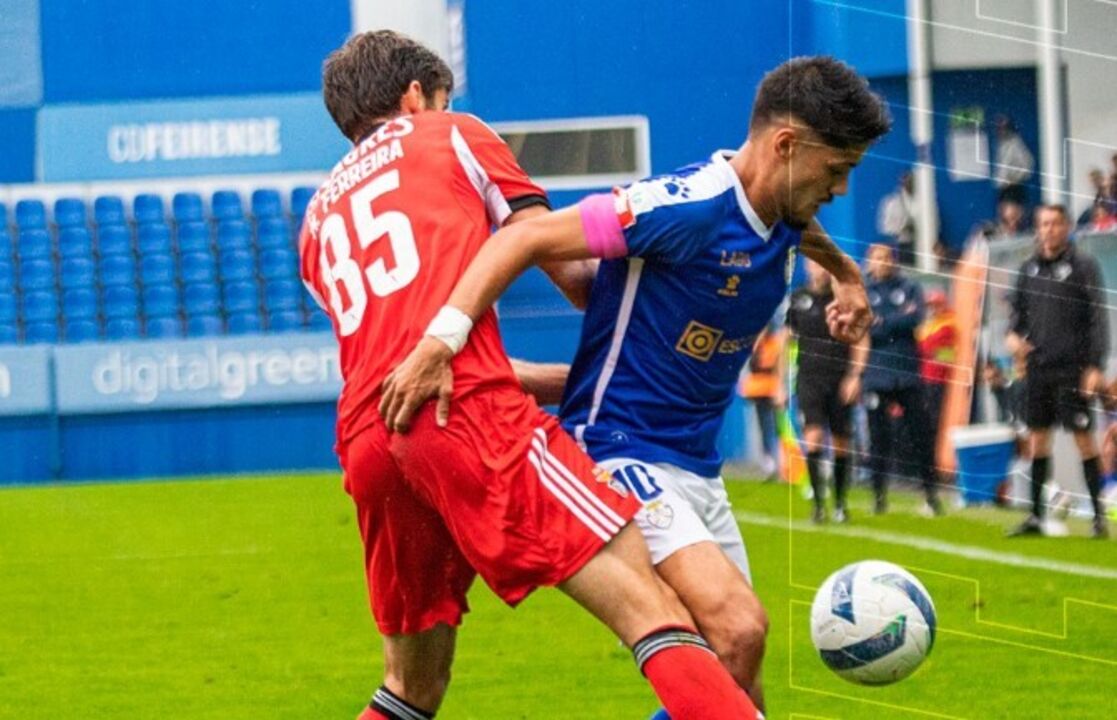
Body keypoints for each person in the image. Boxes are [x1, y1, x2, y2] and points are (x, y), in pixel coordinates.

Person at [379, 55, 887, 715]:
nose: (842, 189)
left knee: (733, 668)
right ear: (786, 146)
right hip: (620, 448)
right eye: (837, 170)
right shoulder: (685, 208)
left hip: (695, 465)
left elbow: (792, 226)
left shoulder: (777, 207)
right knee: (737, 625)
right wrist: (440, 342)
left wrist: (846, 275)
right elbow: (524, 239)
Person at [301, 31, 764, 720]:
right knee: (652, 607)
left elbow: (399, 347)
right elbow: (559, 259)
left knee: (410, 688)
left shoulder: (315, 219)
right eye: (441, 97)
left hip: (370, 440)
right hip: (462, 418)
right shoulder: (450, 133)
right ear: (413, 97)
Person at [1006, 204, 1109, 539]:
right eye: (1043, 224)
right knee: (1037, 441)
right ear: (1037, 228)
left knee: (1084, 440)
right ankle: (1036, 516)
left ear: (1066, 227)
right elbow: (1015, 319)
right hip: (1038, 369)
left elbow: (1097, 318)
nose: (1048, 230)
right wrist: (1012, 339)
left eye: (1054, 223)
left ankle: (1097, 518)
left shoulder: (1083, 267)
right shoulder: (1028, 268)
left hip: (1073, 369)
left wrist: (1095, 366)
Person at [862, 242, 944, 516]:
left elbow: (916, 318)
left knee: (921, 433)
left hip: (907, 372)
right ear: (869, 262)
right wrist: (896, 321)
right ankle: (878, 496)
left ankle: (931, 494)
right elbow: (863, 326)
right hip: (876, 373)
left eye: (886, 257)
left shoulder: (909, 287)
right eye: (877, 258)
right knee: (878, 437)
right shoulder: (864, 291)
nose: (882, 262)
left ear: (894, 261)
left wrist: (882, 323)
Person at [786, 258, 869, 523]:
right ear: (808, 267)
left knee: (842, 441)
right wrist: (780, 383)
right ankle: (819, 505)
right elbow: (785, 340)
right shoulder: (798, 298)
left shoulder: (842, 299)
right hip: (809, 378)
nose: (819, 269)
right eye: (814, 264)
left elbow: (861, 337)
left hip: (839, 378)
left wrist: (855, 375)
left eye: (823, 265)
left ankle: (841, 504)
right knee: (813, 437)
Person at [740, 324, 784, 483]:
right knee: (764, 427)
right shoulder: (756, 344)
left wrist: (780, 388)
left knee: (775, 428)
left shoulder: (775, 343)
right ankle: (769, 463)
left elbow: (776, 366)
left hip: (771, 390)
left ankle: (779, 463)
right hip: (757, 389)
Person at [916, 288, 958, 443]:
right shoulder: (930, 324)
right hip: (927, 378)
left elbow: (942, 353)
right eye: (930, 306)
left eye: (935, 305)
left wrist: (930, 353)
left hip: (940, 379)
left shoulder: (949, 323)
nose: (932, 309)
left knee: (938, 421)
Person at [876, 171, 917, 266]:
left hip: (920, 245)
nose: (909, 184)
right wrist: (902, 228)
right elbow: (884, 227)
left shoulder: (923, 202)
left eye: (911, 181)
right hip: (901, 246)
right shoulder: (891, 203)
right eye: (906, 181)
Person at [992, 114, 1034, 206]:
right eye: (998, 128)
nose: (1000, 131)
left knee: (1014, 215)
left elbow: (1028, 164)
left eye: (1003, 128)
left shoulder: (1015, 143)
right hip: (1003, 188)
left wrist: (1014, 179)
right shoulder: (1001, 144)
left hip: (1013, 189)